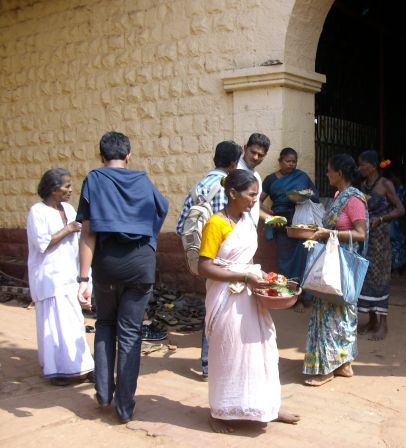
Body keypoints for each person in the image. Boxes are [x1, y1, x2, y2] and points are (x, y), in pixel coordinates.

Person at [197, 169, 300, 433]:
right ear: (232, 193)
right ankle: (219, 412)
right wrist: (245, 276)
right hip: (225, 300)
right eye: (252, 195)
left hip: (248, 295)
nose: (256, 200)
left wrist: (265, 277)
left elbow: (246, 262)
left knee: (260, 351)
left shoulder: (246, 221)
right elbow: (205, 267)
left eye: (256, 195)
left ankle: (267, 407)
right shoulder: (215, 224)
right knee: (229, 353)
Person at [76, 131, 169, 424]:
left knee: (105, 323)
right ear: (129, 156)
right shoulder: (142, 180)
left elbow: (88, 233)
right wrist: (150, 242)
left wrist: (82, 279)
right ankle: (125, 407)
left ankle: (104, 394)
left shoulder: (94, 179)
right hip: (142, 265)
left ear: (100, 156)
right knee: (130, 333)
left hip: (107, 266)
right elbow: (161, 208)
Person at [176, 140, 243, 382]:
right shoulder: (231, 189)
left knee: (211, 307)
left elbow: (180, 227)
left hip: (204, 259)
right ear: (234, 163)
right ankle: (222, 362)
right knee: (227, 311)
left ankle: (207, 365)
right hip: (227, 260)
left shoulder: (197, 188)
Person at [303, 154, 368, 387]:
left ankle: (327, 368)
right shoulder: (340, 196)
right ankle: (343, 364)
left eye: (329, 170)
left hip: (341, 266)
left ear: (339, 174)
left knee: (336, 314)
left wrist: (328, 233)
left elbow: (361, 234)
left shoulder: (353, 200)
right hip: (333, 261)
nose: (327, 174)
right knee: (338, 313)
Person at [26, 168, 95, 386]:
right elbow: (41, 242)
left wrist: (85, 275)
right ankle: (57, 371)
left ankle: (82, 365)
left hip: (69, 276)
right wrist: (67, 229)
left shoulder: (67, 208)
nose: (70, 190)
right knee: (53, 327)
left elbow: (79, 241)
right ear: (53, 189)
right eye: (66, 186)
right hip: (49, 278)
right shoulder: (37, 211)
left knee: (74, 323)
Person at [260, 148, 319, 313]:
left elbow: (314, 196)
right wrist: (269, 214)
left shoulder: (302, 177)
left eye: (294, 161)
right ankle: (288, 294)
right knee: (285, 261)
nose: (291, 164)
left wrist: (303, 196)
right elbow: (257, 201)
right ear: (280, 161)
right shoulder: (270, 179)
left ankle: (301, 297)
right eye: (288, 161)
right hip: (281, 225)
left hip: (301, 222)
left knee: (302, 259)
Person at [357, 151, 405, 341]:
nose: (359, 168)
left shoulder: (386, 184)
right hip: (366, 239)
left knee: (381, 277)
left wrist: (382, 219)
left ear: (374, 166)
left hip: (381, 240)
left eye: (362, 165)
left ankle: (383, 324)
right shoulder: (363, 185)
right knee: (366, 277)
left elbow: (401, 209)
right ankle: (372, 319)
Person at [237, 133, 271, 224]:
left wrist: (270, 218)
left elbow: (253, 208)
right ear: (245, 148)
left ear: (265, 155)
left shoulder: (256, 176)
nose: (255, 157)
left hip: (250, 232)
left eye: (260, 155)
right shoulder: (236, 170)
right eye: (253, 152)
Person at [387, 165, 406, 276]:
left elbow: (396, 203)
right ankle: (400, 267)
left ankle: (396, 267)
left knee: (395, 243)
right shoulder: (400, 189)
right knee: (399, 242)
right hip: (398, 219)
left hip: (395, 219)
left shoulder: (399, 190)